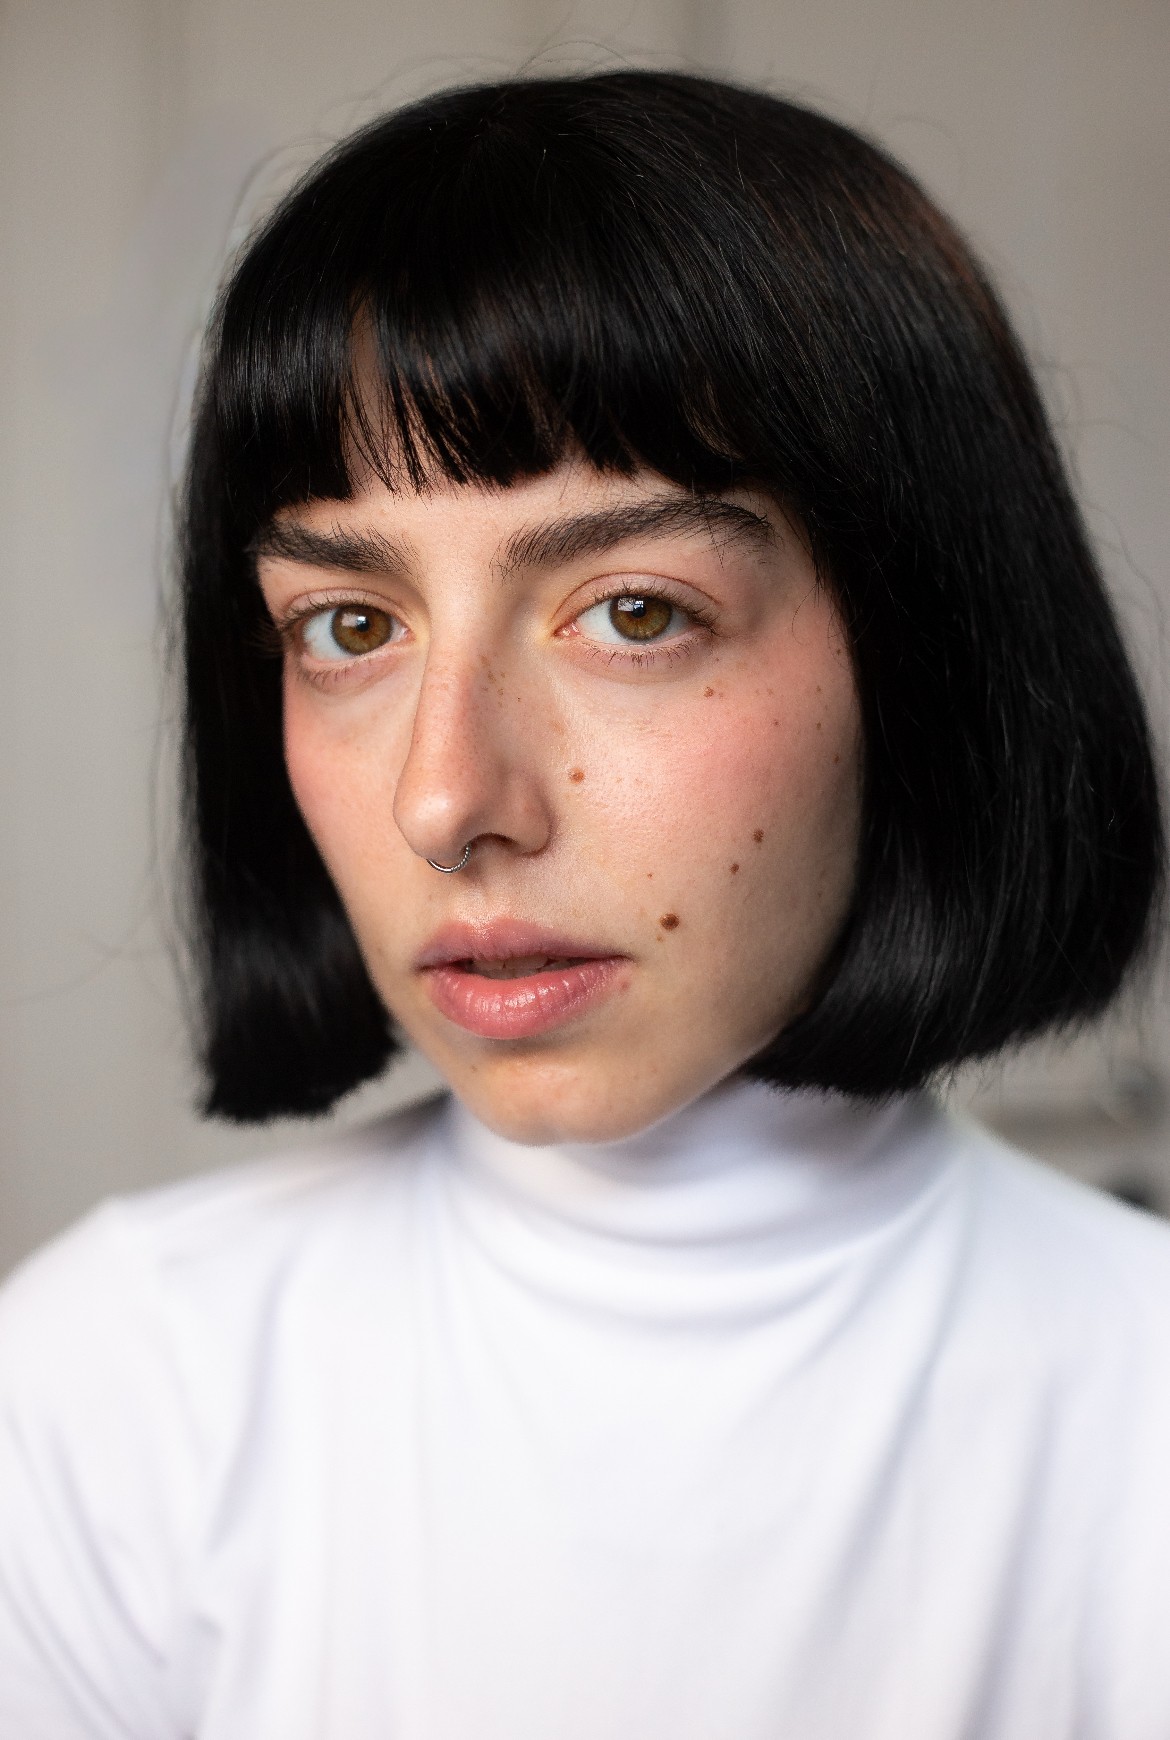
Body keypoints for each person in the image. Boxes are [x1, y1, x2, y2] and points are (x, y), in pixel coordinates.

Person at [1, 68, 1168, 1740]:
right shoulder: (107, 1397)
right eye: (348, 628)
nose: (445, 800)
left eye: (631, 612)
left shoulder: (1136, 1430)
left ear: (926, 649)